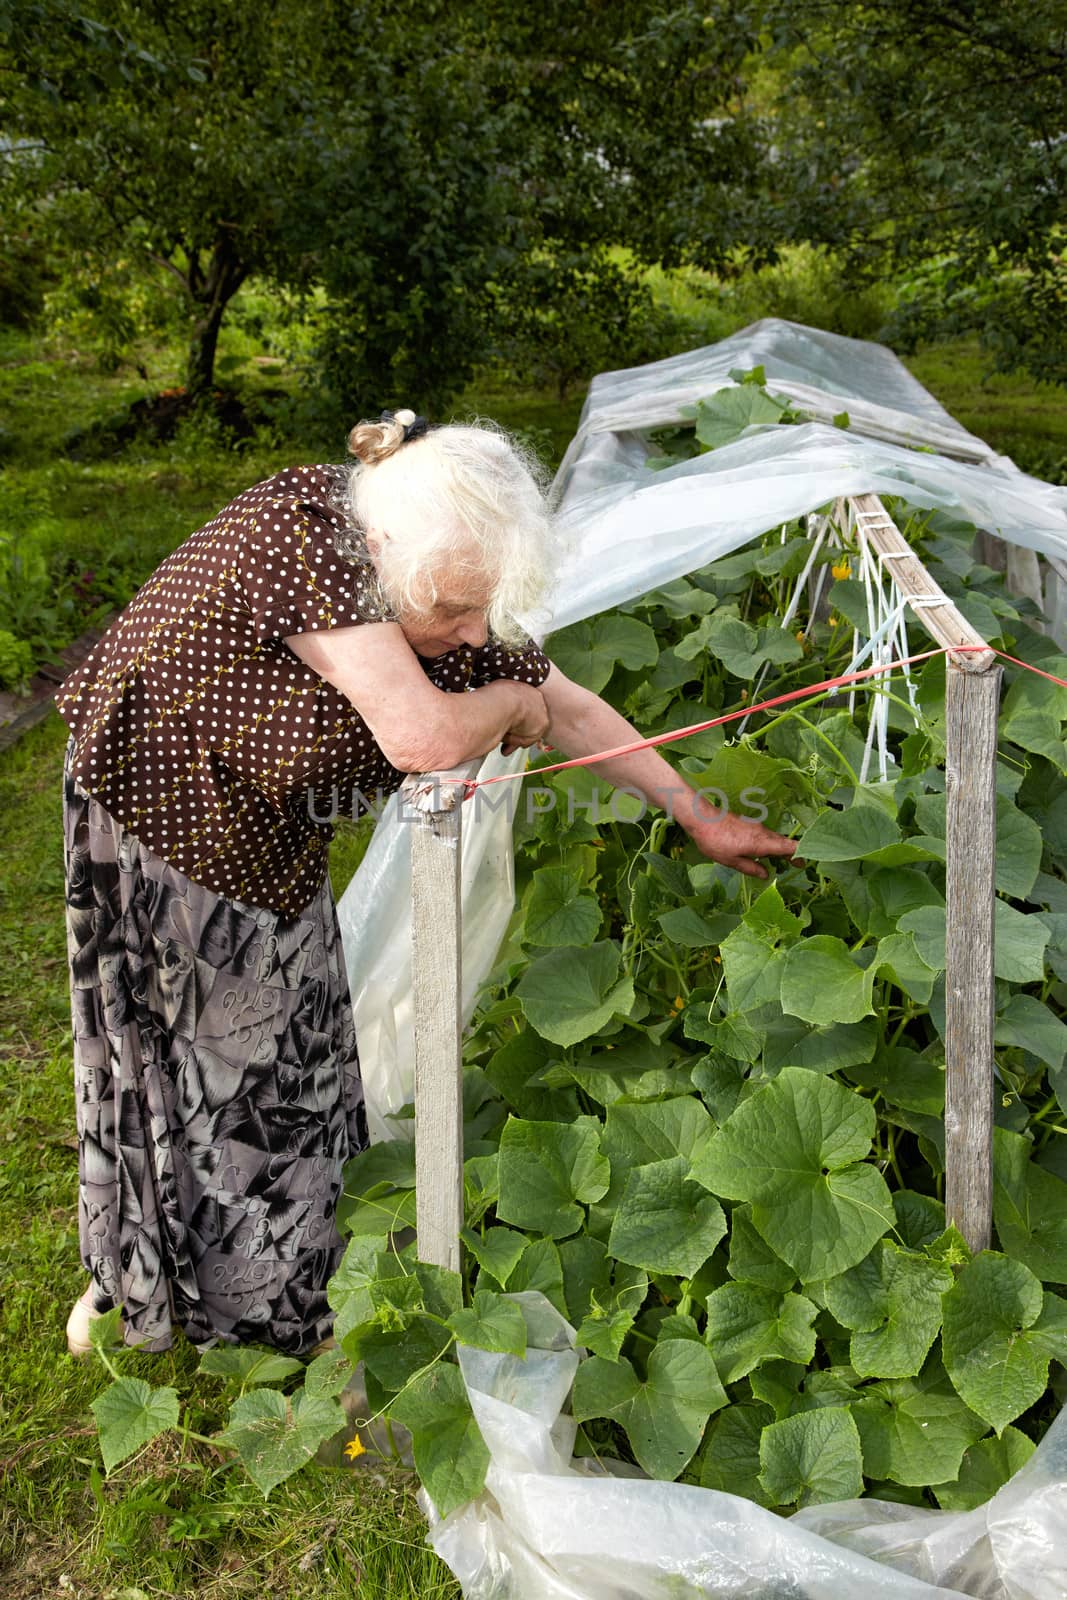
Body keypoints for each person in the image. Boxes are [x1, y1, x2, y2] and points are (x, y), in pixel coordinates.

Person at [57, 408, 796, 1358]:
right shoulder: (305, 543)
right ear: (384, 562)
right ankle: (172, 1288)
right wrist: (510, 704)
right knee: (190, 1064)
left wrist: (694, 811)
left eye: (481, 606)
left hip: (261, 829)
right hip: (160, 812)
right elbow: (428, 740)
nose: (472, 628)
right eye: (451, 609)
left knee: (293, 1062)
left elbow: (562, 704)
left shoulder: (426, 574)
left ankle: (270, 1287)